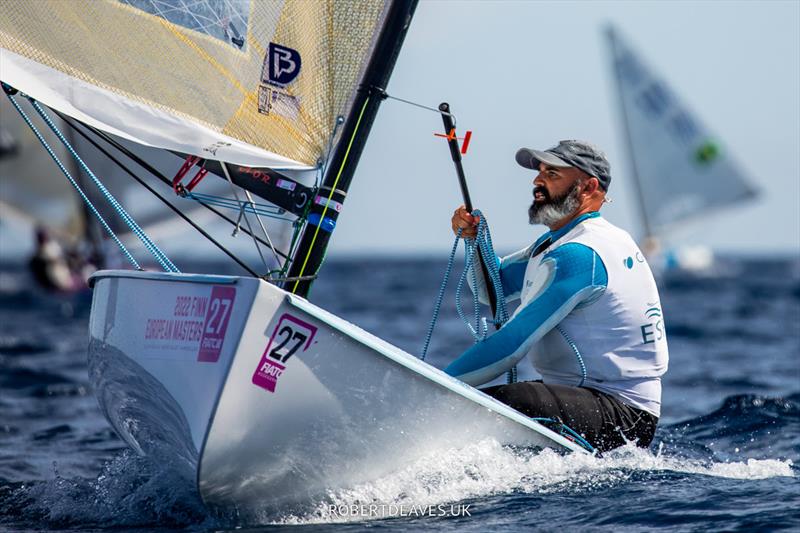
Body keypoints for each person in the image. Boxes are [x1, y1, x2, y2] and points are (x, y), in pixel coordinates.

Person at [446, 140, 668, 452]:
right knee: (483, 405)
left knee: (499, 403)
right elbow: (490, 290)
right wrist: (476, 240)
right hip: (590, 399)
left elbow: (509, 347)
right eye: (539, 173)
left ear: (588, 187)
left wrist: (429, 387)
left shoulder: (580, 255)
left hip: (623, 414)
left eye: (552, 174)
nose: (537, 181)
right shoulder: (562, 244)